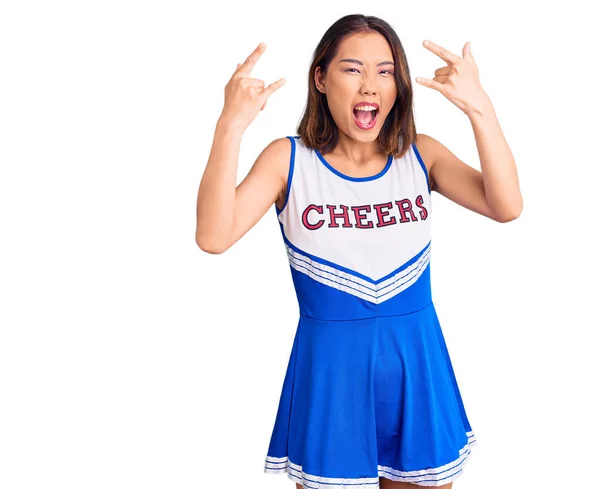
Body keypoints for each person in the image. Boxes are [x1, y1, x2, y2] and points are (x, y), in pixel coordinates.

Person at [195, 13, 522, 489]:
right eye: (352, 69)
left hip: (417, 365)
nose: (370, 85)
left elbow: (506, 205)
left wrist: (480, 110)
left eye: (385, 71)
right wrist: (230, 126)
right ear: (321, 79)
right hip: (332, 375)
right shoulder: (287, 161)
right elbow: (213, 236)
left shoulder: (420, 154)